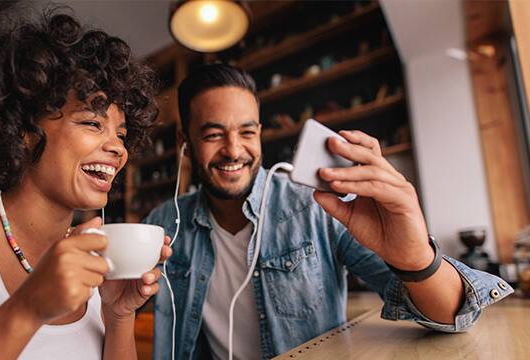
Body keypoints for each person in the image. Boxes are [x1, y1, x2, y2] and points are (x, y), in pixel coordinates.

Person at [143, 63, 513, 360]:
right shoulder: (162, 225)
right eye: (212, 135)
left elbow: (450, 318)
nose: (234, 150)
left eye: (247, 132)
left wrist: (415, 256)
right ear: (185, 144)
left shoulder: (315, 206)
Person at [0, 8, 171, 359]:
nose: (118, 148)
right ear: (22, 131)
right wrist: (28, 308)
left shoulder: (93, 261)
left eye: (122, 134)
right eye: (93, 124)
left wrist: (118, 315)